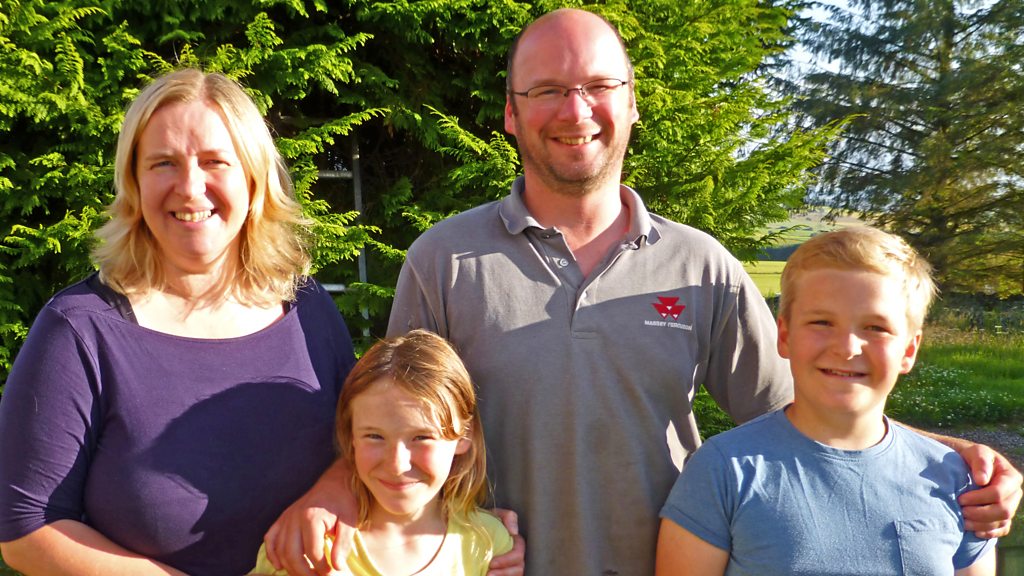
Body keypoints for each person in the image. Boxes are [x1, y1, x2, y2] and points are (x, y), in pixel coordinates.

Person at [269, 8, 1021, 575]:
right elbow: (393, 427)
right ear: (511, 113)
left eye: (599, 87)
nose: (575, 111)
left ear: (632, 104)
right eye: (547, 90)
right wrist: (328, 495)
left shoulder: (701, 266)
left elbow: (810, 410)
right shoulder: (444, 260)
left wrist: (954, 457)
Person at [0, 68, 356, 575]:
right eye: (163, 163)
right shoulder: (79, 331)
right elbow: (26, 529)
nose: (190, 188)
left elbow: (366, 442)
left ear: (254, 179)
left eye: (214, 162)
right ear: (134, 183)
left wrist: (333, 490)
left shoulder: (306, 308)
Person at [656, 227, 997, 575]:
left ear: (909, 350)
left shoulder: (957, 481)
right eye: (821, 322)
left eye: (876, 328)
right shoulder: (723, 471)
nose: (846, 348)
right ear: (784, 335)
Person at [250, 330, 513, 575]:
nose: (397, 465)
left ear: (464, 436)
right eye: (375, 436)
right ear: (350, 436)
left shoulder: (487, 543)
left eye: (422, 437)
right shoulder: (307, 546)